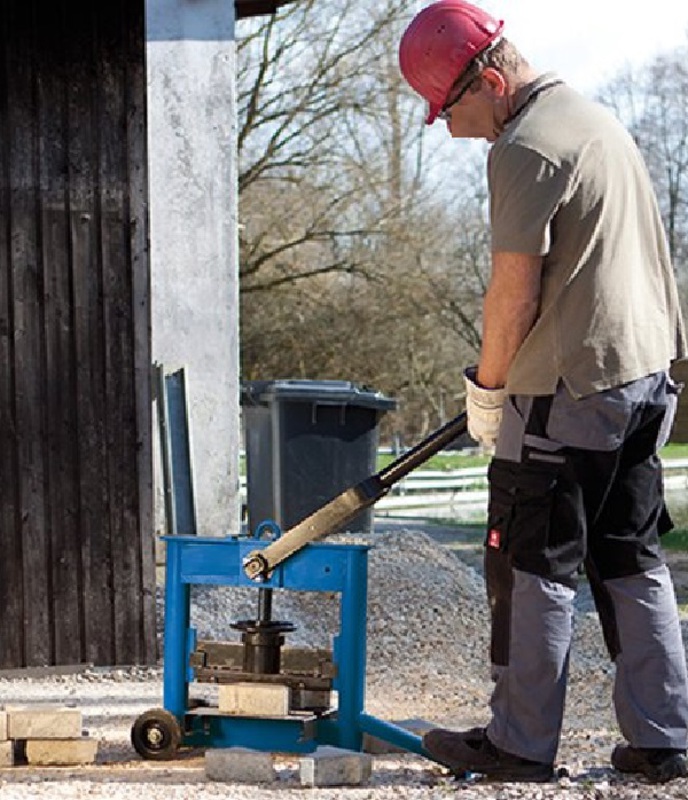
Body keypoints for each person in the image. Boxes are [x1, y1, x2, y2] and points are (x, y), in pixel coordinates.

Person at [398, 0, 688, 785]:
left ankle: (520, 745)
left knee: (531, 560)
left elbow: (512, 294)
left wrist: (488, 392)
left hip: (566, 386)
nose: (452, 129)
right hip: (644, 377)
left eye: (450, 110)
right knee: (630, 554)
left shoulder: (525, 146)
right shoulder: (597, 123)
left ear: (490, 80)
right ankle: (662, 739)